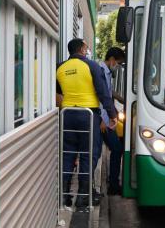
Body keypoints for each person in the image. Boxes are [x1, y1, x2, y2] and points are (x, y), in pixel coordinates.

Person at [56, 39, 117, 210]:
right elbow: (103, 92)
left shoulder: (59, 67)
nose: (88, 50)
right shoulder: (92, 66)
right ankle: (82, 198)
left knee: (67, 153)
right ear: (82, 49)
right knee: (88, 154)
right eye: (86, 47)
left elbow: (59, 92)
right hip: (88, 116)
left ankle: (64, 195)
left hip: (67, 115)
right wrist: (112, 115)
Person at [99, 47, 125, 195]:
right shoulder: (101, 71)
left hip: (106, 119)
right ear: (112, 59)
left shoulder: (106, 73)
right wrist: (102, 119)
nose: (118, 67)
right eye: (119, 64)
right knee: (116, 149)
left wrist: (124, 100)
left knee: (116, 149)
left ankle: (113, 183)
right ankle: (113, 185)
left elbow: (109, 93)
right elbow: (100, 96)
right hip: (102, 121)